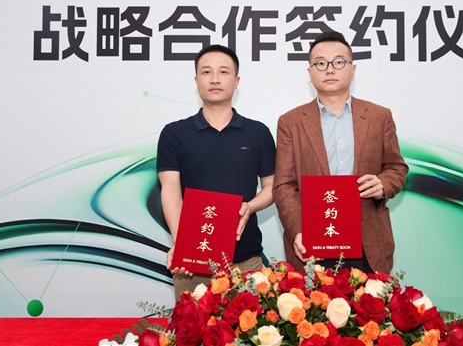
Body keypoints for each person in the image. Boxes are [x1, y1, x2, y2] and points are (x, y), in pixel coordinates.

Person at [273, 30, 408, 274]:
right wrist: (298, 230)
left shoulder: (379, 117)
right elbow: (284, 185)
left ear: (352, 70)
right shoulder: (290, 122)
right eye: (320, 63)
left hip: (368, 243)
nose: (329, 70)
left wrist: (383, 184)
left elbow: (396, 167)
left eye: (338, 62)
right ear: (310, 73)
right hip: (313, 243)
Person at [156, 44, 276, 301]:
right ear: (196, 80)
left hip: (246, 259)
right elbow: (171, 190)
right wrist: (182, 245)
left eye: (223, 72)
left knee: (253, 326)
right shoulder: (174, 133)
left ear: (236, 81)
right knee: (192, 325)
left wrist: (250, 207)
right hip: (192, 263)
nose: (214, 79)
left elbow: (272, 187)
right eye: (206, 72)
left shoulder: (258, 133)